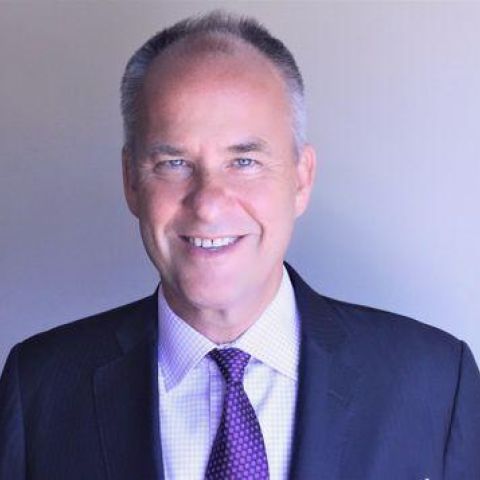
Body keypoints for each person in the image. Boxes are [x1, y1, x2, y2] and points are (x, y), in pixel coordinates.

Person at [1, 11, 479, 480]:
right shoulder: (40, 387)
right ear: (130, 181)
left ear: (301, 178)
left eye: (245, 161)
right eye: (173, 162)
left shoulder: (435, 383)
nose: (208, 203)